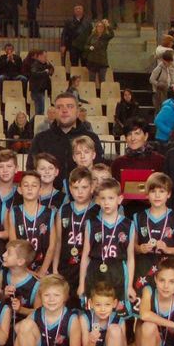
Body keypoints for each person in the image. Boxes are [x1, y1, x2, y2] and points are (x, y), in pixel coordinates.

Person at [10, 275, 81, 346]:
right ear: (41, 297)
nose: (51, 299)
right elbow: (19, 338)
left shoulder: (71, 319)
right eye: (47, 295)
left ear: (65, 297)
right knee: (24, 325)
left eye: (56, 295)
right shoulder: (36, 314)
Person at [78, 178, 136, 317]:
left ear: (119, 199)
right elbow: (85, 256)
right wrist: (81, 284)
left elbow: (130, 258)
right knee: (94, 313)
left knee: (117, 315)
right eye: (103, 198)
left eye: (111, 198)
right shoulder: (91, 224)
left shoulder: (129, 225)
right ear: (97, 200)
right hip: (95, 271)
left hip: (117, 272)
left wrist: (129, 286)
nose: (106, 202)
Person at [130, 172, 174, 300]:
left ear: (168, 194)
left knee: (164, 304)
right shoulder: (138, 217)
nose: (157, 195)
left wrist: (167, 249)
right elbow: (133, 246)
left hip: (167, 270)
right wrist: (141, 248)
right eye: (153, 191)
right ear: (147, 194)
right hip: (144, 268)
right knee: (142, 303)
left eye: (162, 191)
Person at [27, 93, 105, 179]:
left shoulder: (92, 138)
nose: (64, 110)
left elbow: (99, 170)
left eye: (70, 106)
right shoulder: (40, 139)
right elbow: (31, 172)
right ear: (55, 112)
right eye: (59, 107)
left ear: (77, 112)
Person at [53, 167, 95, 302]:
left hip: (87, 266)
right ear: (70, 189)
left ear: (92, 188)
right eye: (76, 188)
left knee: (83, 302)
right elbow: (58, 241)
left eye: (84, 187)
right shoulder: (63, 209)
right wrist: (55, 269)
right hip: (65, 265)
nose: (80, 192)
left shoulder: (97, 210)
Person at [111, 119, 165, 215]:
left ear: (146, 136)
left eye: (137, 133)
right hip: (125, 212)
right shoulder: (118, 163)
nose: (133, 138)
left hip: (154, 211)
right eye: (129, 134)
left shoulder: (159, 161)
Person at [84, 19, 113, 85]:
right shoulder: (92, 36)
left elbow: (112, 35)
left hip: (102, 61)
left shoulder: (105, 36)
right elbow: (85, 46)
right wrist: (89, 47)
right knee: (91, 80)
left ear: (104, 28)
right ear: (96, 27)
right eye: (98, 26)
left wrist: (108, 25)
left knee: (102, 80)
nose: (100, 28)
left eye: (102, 26)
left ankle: (102, 92)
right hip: (92, 60)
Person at [26, 50, 55, 116]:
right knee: (40, 111)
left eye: (46, 56)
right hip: (36, 90)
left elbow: (52, 70)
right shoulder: (35, 64)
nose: (46, 58)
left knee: (40, 111)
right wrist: (45, 72)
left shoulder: (45, 64)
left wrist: (49, 66)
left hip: (42, 90)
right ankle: (35, 121)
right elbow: (34, 74)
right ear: (39, 56)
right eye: (44, 56)